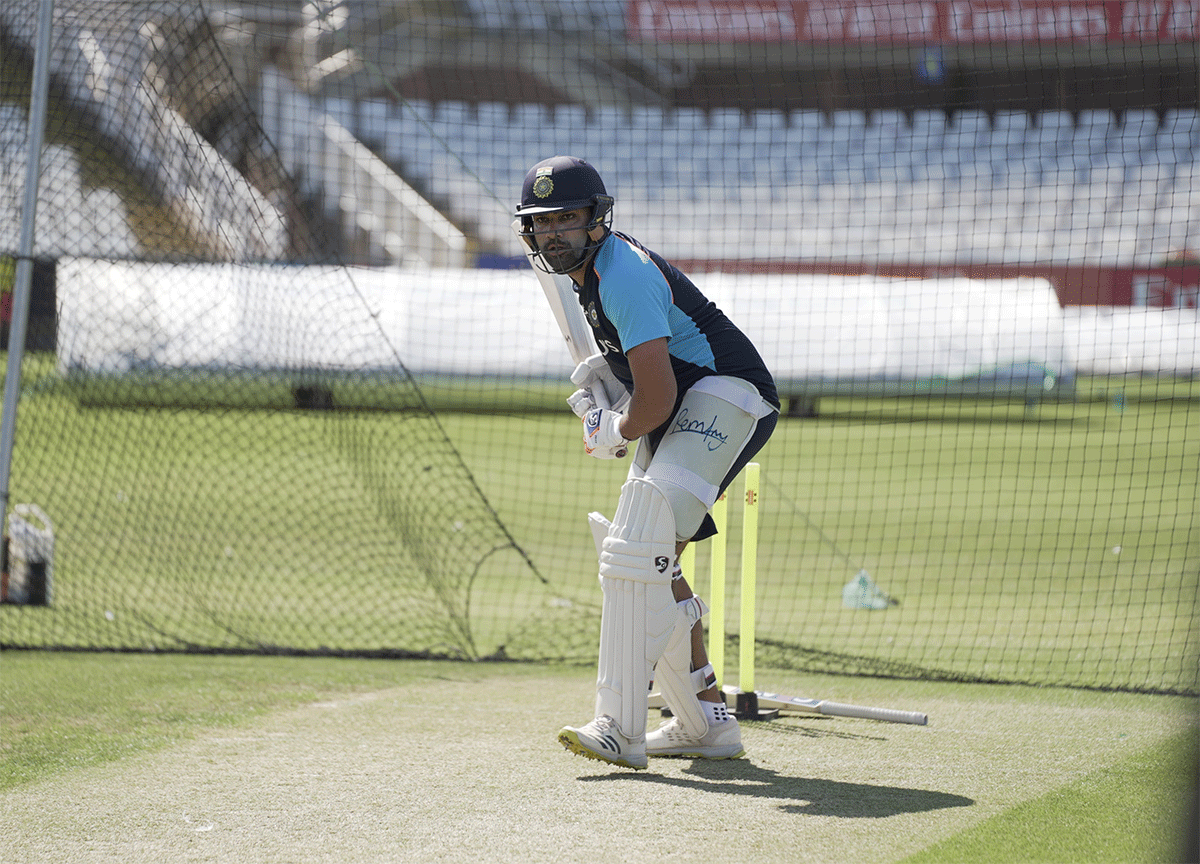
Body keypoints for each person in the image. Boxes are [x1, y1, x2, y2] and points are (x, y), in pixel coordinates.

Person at [514, 155, 780, 770]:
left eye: (567, 218)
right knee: (640, 561)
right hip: (685, 401)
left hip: (727, 393)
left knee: (638, 552)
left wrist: (615, 428)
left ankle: (618, 725)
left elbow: (656, 399)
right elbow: (647, 382)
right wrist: (611, 398)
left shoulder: (622, 274)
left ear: (596, 221)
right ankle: (707, 721)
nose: (554, 232)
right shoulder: (585, 277)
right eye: (541, 221)